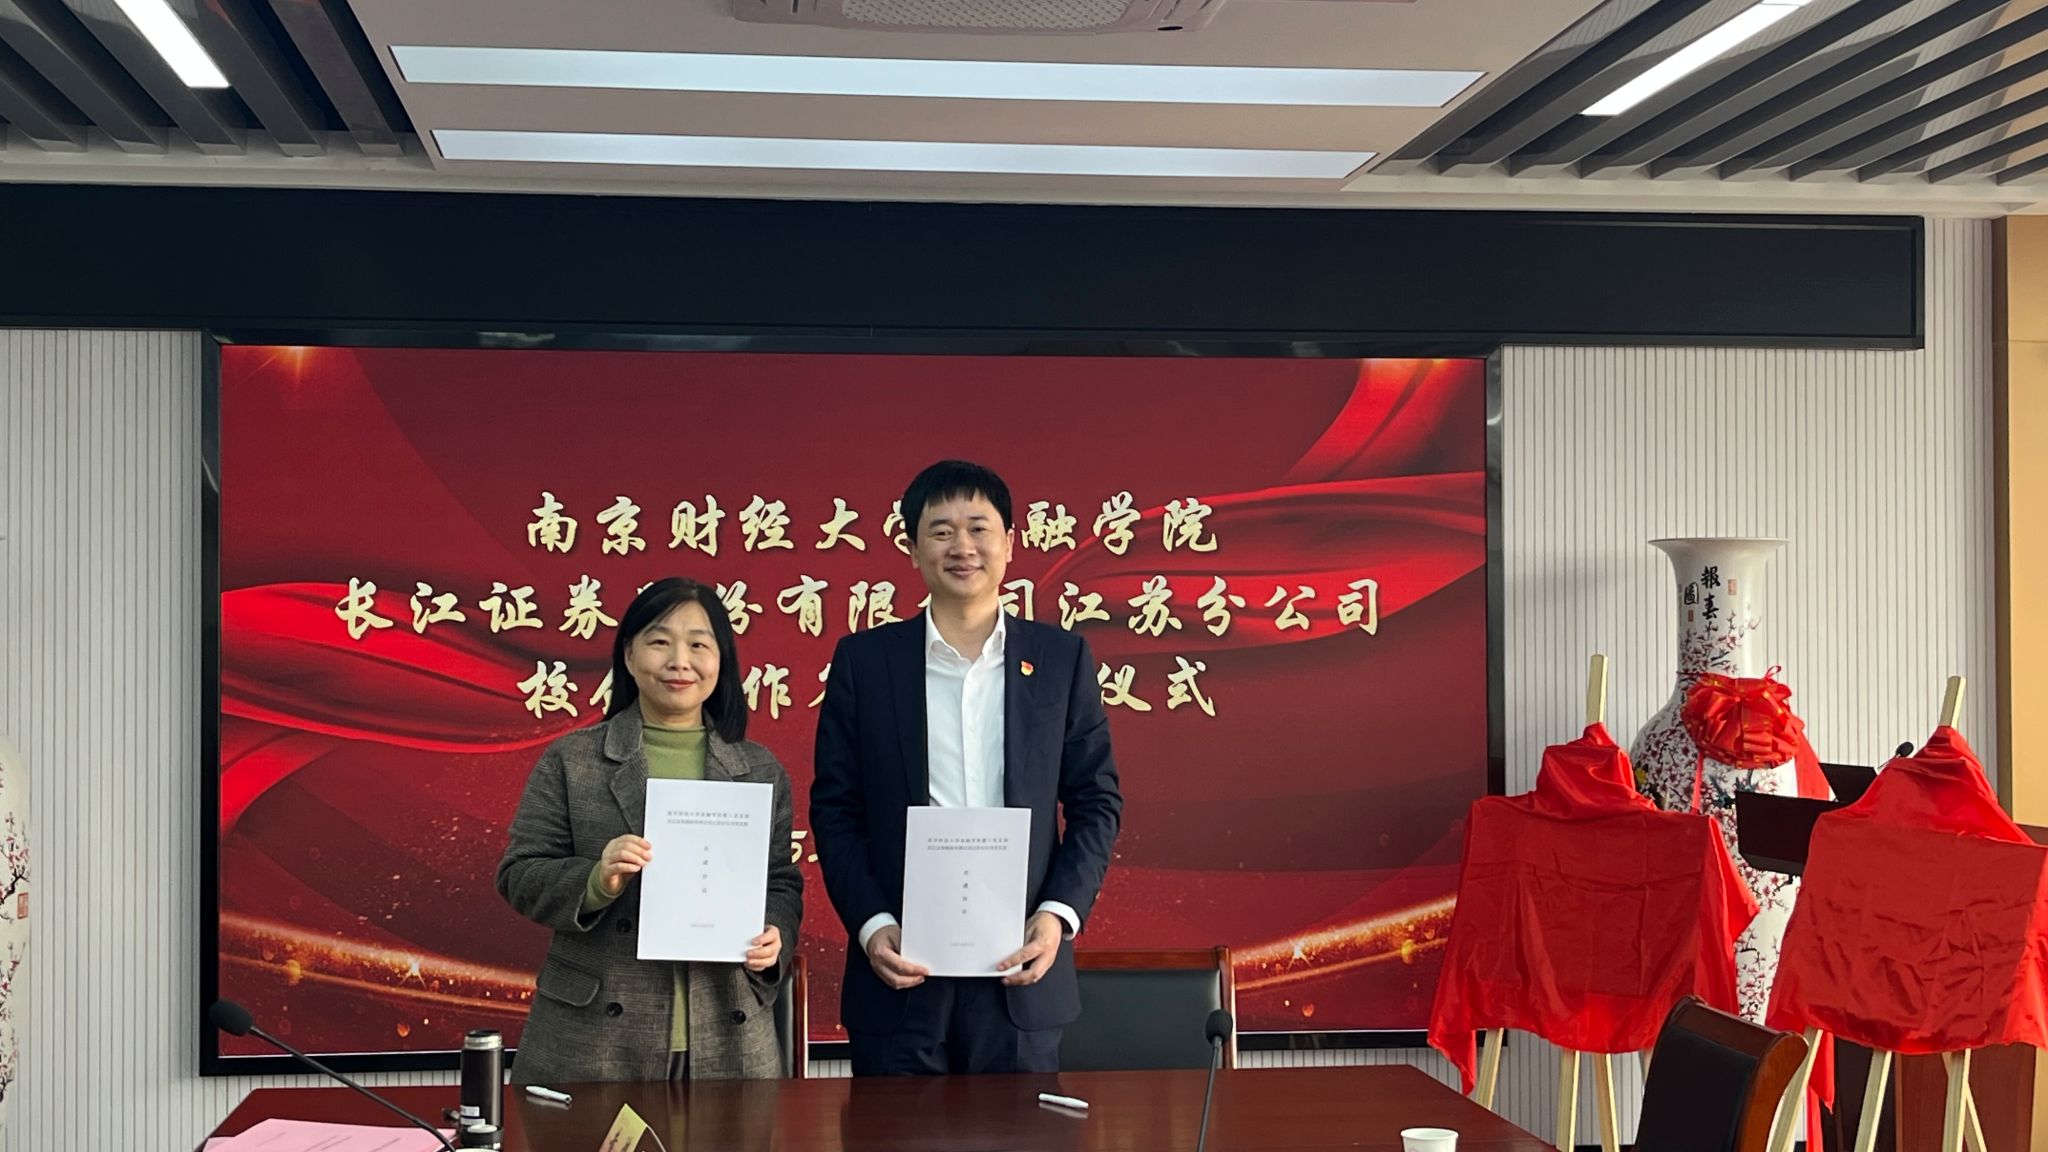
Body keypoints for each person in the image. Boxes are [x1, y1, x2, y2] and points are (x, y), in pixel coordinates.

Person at [811, 460, 1123, 1075]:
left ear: (1010, 542)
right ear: (912, 548)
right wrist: (873, 924)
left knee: (1021, 1128)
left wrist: (1057, 915)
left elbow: (1096, 801)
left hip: (1020, 971)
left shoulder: (1060, 659)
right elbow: (836, 810)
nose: (963, 547)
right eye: (941, 530)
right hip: (900, 973)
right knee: (891, 1128)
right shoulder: (865, 662)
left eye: (979, 528)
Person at [499, 577, 802, 1082]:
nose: (680, 661)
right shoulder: (574, 759)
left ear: (721, 660)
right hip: (594, 1040)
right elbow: (519, 874)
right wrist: (596, 880)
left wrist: (775, 934)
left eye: (699, 645)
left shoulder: (758, 769)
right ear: (629, 654)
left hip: (728, 1032)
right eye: (660, 641)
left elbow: (781, 881)